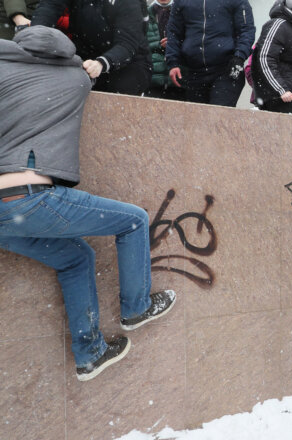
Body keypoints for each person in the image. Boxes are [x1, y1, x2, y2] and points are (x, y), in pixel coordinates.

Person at [0, 26, 176, 381]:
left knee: (77, 258)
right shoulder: (74, 79)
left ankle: (90, 353)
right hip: (32, 200)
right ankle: (136, 308)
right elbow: (91, 69)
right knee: (135, 221)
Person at [32, 0, 152, 95]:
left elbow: (127, 43)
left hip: (129, 61)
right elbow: (50, 6)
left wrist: (102, 63)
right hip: (85, 52)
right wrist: (35, 34)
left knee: (120, 89)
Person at [166, 0, 255, 106]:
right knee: (196, 117)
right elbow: (174, 33)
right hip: (194, 70)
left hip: (226, 68)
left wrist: (239, 56)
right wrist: (173, 62)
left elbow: (246, 30)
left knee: (219, 115)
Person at [250, 0, 292, 114]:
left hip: (290, 94)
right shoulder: (278, 25)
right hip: (273, 96)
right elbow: (264, 59)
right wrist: (281, 89)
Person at [145, 0, 184, 100]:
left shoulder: (185, 13)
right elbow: (138, 45)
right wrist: (159, 45)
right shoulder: (145, 14)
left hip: (180, 80)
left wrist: (175, 44)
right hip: (152, 81)